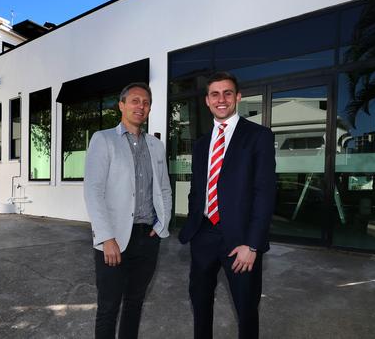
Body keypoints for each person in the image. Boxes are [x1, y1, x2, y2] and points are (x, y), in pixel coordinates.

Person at [178, 72, 276, 339]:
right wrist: (194, 225)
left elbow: (265, 193)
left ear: (238, 97)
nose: (221, 99)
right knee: (200, 304)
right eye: (215, 94)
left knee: (246, 309)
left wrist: (253, 244)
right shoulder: (200, 144)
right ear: (207, 101)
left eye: (227, 93)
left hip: (241, 242)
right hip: (204, 235)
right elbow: (198, 190)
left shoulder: (259, 136)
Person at [84, 82, 172, 339]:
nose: (140, 106)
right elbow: (93, 191)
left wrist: (161, 225)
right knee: (109, 307)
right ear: (121, 105)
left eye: (145, 102)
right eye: (134, 100)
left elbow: (164, 189)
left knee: (135, 303)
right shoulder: (103, 139)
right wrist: (106, 237)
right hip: (114, 239)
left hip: (148, 237)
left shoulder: (156, 145)